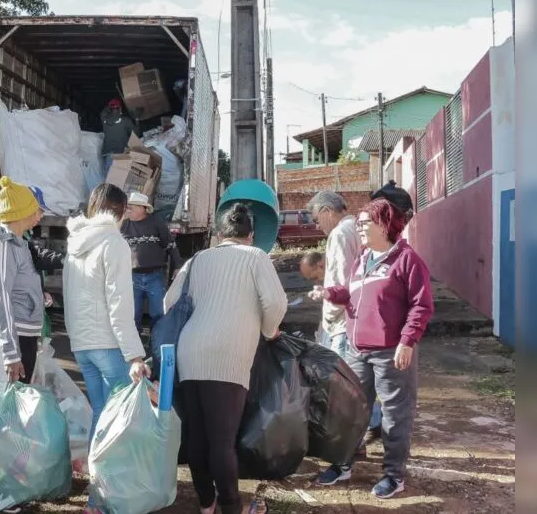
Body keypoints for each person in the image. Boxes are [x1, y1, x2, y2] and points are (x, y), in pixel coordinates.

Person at [164, 203, 288, 514]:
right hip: (230, 352)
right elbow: (274, 302)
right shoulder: (256, 257)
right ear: (251, 235)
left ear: (220, 234)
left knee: (197, 435)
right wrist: (270, 330)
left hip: (190, 351)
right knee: (222, 440)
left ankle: (207, 504)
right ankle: (233, 508)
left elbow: (169, 302)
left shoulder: (197, 260)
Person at [309, 198, 433, 499]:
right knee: (349, 409)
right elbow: (352, 294)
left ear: (385, 224)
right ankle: (343, 464)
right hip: (357, 349)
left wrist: (407, 341)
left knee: (394, 413)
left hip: (391, 351)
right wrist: (330, 292)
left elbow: (422, 306)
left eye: (366, 223)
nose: (360, 227)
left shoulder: (406, 260)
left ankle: (393, 475)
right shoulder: (363, 257)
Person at [63, 183, 150, 511]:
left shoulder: (75, 242)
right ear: (119, 210)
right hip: (108, 344)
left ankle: (96, 493)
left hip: (83, 343)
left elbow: (70, 295)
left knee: (102, 414)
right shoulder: (114, 243)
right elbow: (119, 304)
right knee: (119, 421)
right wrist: (135, 353)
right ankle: (107, 496)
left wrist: (74, 338)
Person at [307, 191, 381, 440]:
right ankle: (373, 421)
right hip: (360, 317)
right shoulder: (358, 229)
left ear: (328, 211)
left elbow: (340, 281)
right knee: (357, 382)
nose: (318, 226)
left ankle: (354, 439)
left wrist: (328, 319)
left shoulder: (340, 234)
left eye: (318, 219)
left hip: (342, 321)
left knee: (342, 386)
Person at [0, 180, 62, 404]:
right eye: (35, 209)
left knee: (12, 412)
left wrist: (39, 296)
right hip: (11, 340)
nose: (40, 215)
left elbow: (20, 286)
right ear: (22, 212)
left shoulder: (19, 244)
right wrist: (10, 353)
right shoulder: (4, 247)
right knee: (3, 412)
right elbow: (1, 300)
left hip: (22, 337)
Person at [120, 191, 183, 340]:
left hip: (154, 276)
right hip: (132, 277)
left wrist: (177, 266)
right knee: (133, 314)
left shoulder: (156, 224)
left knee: (157, 314)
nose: (128, 210)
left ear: (143, 208)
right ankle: (133, 346)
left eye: (131, 207)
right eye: (127, 207)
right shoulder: (123, 225)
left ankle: (156, 342)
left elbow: (170, 245)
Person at [99, 98, 137, 174]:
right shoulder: (126, 121)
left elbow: (103, 112)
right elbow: (135, 134)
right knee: (121, 178)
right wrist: (137, 120)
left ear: (110, 109)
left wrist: (110, 107)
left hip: (108, 154)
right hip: (122, 154)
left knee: (109, 178)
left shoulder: (104, 119)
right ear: (120, 109)